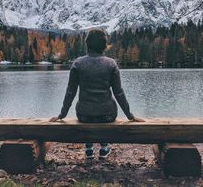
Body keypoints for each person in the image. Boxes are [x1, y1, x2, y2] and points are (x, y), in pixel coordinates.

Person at [49, 28, 145, 160]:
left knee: (88, 111)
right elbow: (119, 93)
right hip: (107, 115)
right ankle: (104, 148)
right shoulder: (111, 64)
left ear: (87, 44)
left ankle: (89, 149)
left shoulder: (78, 64)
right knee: (103, 109)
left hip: (84, 115)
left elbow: (70, 92)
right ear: (104, 45)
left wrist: (62, 115)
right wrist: (130, 116)